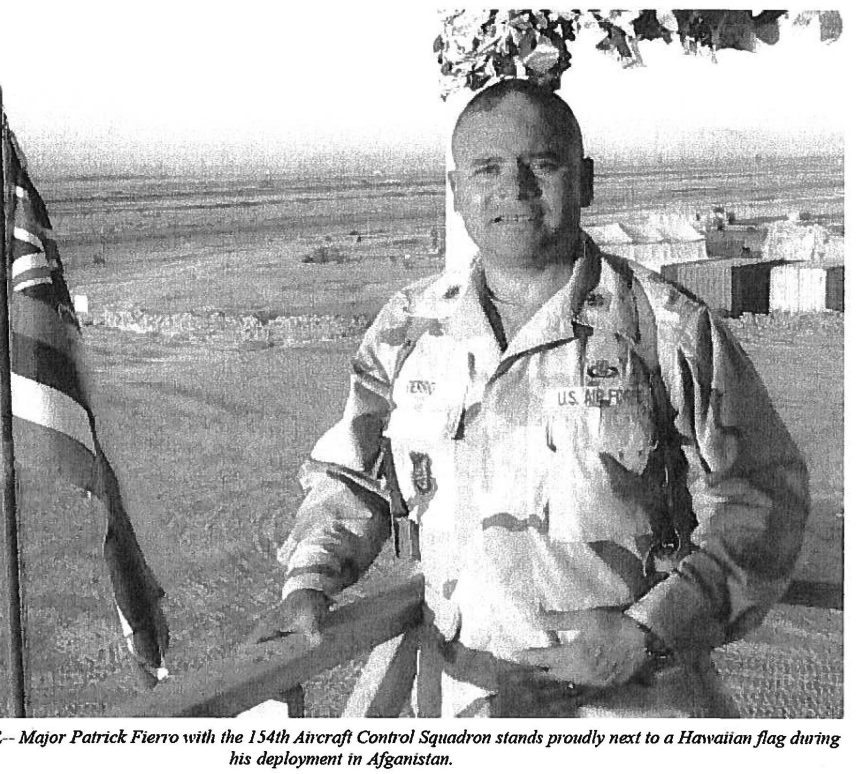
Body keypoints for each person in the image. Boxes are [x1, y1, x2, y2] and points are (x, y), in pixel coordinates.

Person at [250, 78, 808, 717]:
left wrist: (654, 629)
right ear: (458, 192)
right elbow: (353, 478)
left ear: (586, 181)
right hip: (463, 707)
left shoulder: (667, 327)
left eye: (541, 165)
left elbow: (765, 496)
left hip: (637, 713)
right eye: (487, 169)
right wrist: (309, 581)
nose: (514, 188)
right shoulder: (408, 329)